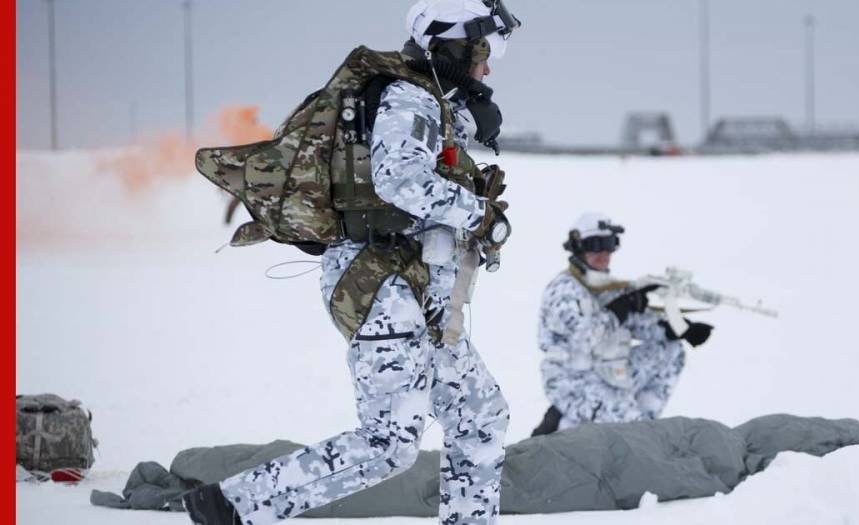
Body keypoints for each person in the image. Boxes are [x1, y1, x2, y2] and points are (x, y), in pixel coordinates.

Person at [183, 1, 520, 524]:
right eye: (487, 52)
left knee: (480, 414)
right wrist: (478, 214)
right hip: (377, 282)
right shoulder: (408, 99)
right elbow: (399, 180)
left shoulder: (425, 99)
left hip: (415, 285)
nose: (489, 67)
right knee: (389, 444)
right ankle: (230, 507)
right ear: (459, 46)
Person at [531, 213, 713, 436]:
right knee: (633, 431)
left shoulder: (603, 286)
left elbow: (634, 322)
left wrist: (675, 329)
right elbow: (585, 339)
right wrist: (620, 309)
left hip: (608, 372)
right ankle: (567, 424)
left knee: (670, 351)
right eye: (596, 246)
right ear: (578, 247)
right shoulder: (564, 291)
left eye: (609, 245)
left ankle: (635, 423)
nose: (604, 254)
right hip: (572, 382)